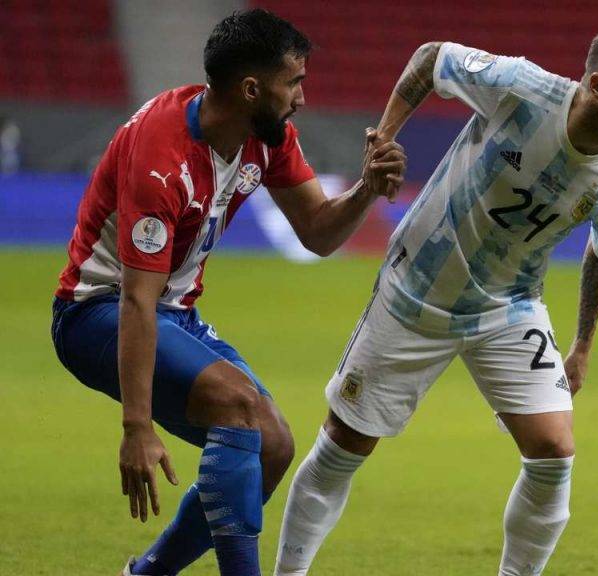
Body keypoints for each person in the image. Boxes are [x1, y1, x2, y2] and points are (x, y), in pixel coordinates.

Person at [275, 21, 598, 576]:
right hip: (416, 291)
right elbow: (430, 56)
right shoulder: (522, 89)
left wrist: (582, 344)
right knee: (344, 444)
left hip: (508, 307)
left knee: (554, 454)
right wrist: (383, 139)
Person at [49, 9, 405, 576]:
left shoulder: (267, 136)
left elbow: (316, 231)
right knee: (238, 408)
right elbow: (137, 300)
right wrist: (136, 428)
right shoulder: (161, 158)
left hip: (171, 312)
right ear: (250, 88)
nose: (302, 98)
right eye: (294, 83)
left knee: (273, 447)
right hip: (97, 312)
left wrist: (367, 188)